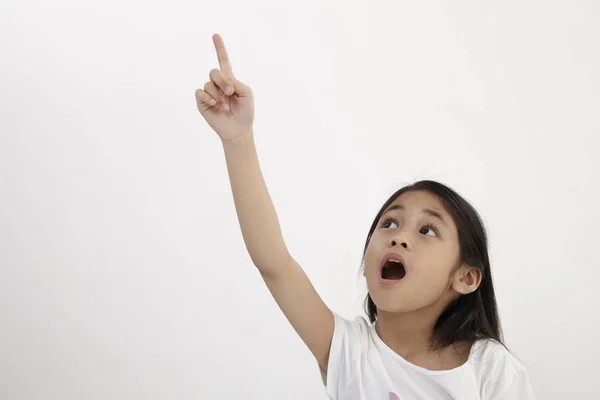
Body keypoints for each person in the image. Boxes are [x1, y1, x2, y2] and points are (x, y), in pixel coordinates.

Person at [195, 33, 536, 400]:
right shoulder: (349, 352)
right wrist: (238, 140)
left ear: (466, 277)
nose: (399, 236)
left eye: (428, 230)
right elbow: (274, 262)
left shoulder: (490, 369)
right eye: (390, 222)